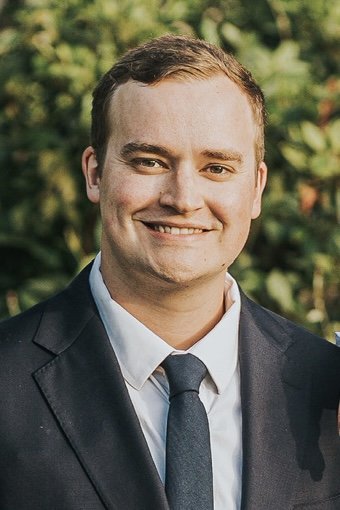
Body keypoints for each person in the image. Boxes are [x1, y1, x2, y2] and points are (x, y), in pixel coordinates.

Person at [0, 35, 339, 510]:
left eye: (217, 168)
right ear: (95, 173)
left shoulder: (327, 383)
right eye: (150, 161)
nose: (182, 198)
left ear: (256, 189)